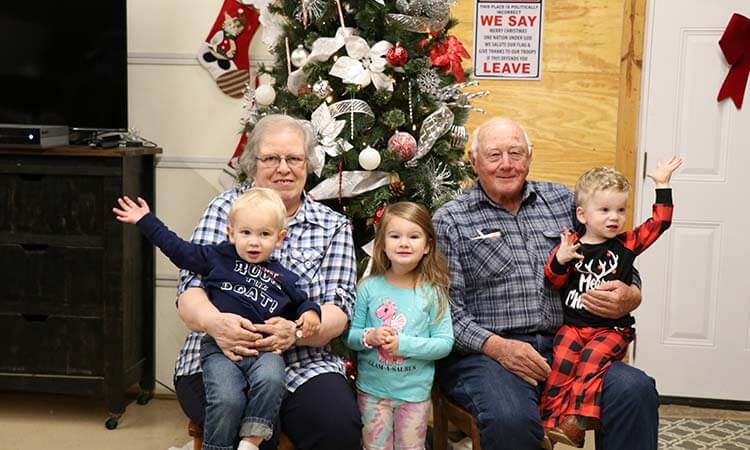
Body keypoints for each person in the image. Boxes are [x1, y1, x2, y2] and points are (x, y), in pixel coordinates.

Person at [432, 117, 660, 450]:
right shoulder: (451, 219)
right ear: (474, 160)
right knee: (512, 419)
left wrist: (632, 294)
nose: (507, 164)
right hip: (488, 355)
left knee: (635, 390)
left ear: (530, 156)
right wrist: (499, 347)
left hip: (572, 344)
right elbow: (445, 308)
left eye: (516, 153)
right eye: (494, 155)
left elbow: (611, 249)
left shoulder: (564, 201)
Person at [172, 114, 362, 450]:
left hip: (304, 361)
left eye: (294, 158)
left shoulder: (332, 226)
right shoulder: (223, 210)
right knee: (245, 421)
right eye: (271, 158)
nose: (283, 168)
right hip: (221, 353)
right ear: (252, 164)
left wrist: (298, 332)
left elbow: (339, 310)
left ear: (309, 163)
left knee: (338, 425)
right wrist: (217, 324)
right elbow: (189, 294)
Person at [113, 187, 322, 450]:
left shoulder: (283, 277)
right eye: (245, 233)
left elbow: (303, 302)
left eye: (264, 234)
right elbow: (179, 250)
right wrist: (146, 220)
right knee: (227, 399)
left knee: (272, 380)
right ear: (231, 233)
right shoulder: (218, 258)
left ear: (280, 238)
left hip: (264, 351)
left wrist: (311, 313)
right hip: (221, 349)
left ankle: (251, 441)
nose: (254, 242)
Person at [540, 159, 682, 448]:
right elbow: (553, 281)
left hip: (611, 330)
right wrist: (560, 260)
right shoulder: (571, 246)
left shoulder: (626, 244)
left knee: (591, 361)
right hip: (573, 327)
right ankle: (549, 424)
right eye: (604, 210)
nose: (614, 217)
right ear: (583, 214)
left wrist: (662, 185)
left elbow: (660, 223)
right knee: (562, 365)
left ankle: (578, 423)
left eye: (620, 210)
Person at [346, 202, 454, 450]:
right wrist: (370, 336)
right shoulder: (368, 288)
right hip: (372, 394)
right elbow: (351, 338)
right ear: (382, 244)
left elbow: (444, 343)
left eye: (414, 236)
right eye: (395, 236)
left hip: (414, 396)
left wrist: (403, 345)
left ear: (427, 245)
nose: (404, 243)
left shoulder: (433, 293)